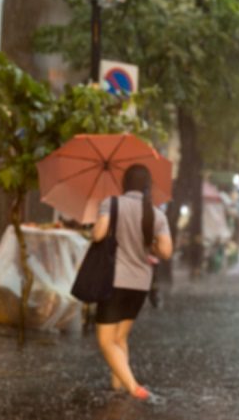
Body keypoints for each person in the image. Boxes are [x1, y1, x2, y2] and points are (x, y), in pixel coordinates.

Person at [91, 164, 172, 400]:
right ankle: (117, 390)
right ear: (147, 186)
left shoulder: (112, 203)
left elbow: (98, 234)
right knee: (120, 338)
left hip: (114, 281)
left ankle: (133, 387)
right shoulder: (156, 214)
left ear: (125, 183)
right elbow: (165, 252)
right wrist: (151, 244)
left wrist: (98, 228)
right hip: (140, 284)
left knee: (105, 341)